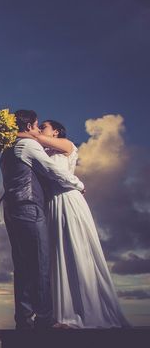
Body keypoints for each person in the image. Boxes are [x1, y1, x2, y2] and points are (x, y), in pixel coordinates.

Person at [17, 120, 131, 328]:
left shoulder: (67, 145)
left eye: (45, 126)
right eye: (39, 126)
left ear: (57, 131)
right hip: (51, 204)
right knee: (55, 254)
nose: (41, 129)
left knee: (74, 248)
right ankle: (61, 313)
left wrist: (11, 132)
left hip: (68, 199)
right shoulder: (43, 153)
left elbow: (34, 137)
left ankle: (83, 310)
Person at [0, 110, 85, 330]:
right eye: (37, 126)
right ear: (28, 127)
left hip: (11, 209)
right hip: (28, 207)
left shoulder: (7, 150)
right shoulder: (28, 145)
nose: (38, 130)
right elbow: (51, 170)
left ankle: (24, 320)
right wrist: (78, 184)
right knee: (40, 263)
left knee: (22, 266)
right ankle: (46, 320)